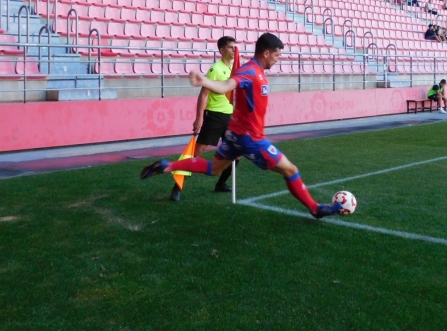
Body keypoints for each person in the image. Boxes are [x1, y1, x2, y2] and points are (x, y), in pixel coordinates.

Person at [140, 33, 344, 219]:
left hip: (234, 134)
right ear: (266, 53)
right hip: (250, 138)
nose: (277, 59)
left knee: (214, 168)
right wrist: (205, 81)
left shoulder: (255, 71)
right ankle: (314, 208)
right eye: (276, 55)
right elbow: (226, 86)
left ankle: (169, 166)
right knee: (291, 170)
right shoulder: (249, 71)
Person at [170, 36, 238, 202]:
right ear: (222, 50)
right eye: (230, 47)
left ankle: (221, 183)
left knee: (236, 154)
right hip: (214, 116)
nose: (234, 50)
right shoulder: (216, 69)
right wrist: (199, 118)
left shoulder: (235, 70)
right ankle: (177, 186)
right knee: (197, 152)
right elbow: (204, 94)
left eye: (235, 47)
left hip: (230, 117)